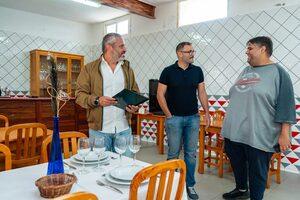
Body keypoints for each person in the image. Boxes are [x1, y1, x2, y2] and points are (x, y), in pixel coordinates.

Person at [221, 36, 296, 200]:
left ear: (263, 49)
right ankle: (241, 189)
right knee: (237, 163)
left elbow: (286, 104)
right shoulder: (246, 70)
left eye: (250, 48)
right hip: (234, 131)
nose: (246, 52)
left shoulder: (279, 73)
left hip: (259, 133)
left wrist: (285, 133)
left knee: (257, 171)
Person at [157, 42, 210, 200]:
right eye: (189, 51)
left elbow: (202, 92)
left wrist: (206, 112)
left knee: (191, 154)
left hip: (193, 118)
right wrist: (168, 115)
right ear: (179, 53)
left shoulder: (197, 71)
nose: (193, 54)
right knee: (173, 154)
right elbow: (160, 94)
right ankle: (171, 185)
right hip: (174, 119)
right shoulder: (168, 71)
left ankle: (190, 185)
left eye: (193, 51)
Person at [75, 33, 140, 155]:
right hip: (99, 132)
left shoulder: (127, 68)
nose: (125, 49)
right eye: (121, 46)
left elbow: (135, 92)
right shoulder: (89, 69)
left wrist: (134, 106)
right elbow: (79, 95)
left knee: (125, 169)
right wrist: (97, 100)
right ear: (109, 47)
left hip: (124, 129)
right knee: (99, 169)